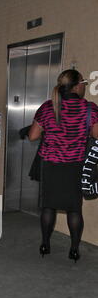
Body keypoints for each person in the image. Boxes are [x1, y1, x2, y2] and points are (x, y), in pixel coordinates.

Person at [28, 69, 98, 261]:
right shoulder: (90, 109)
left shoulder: (47, 107)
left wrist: (53, 132)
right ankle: (74, 250)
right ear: (77, 86)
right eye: (83, 82)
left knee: (48, 207)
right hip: (74, 166)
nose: (84, 85)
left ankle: (45, 245)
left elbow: (33, 135)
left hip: (50, 165)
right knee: (74, 209)